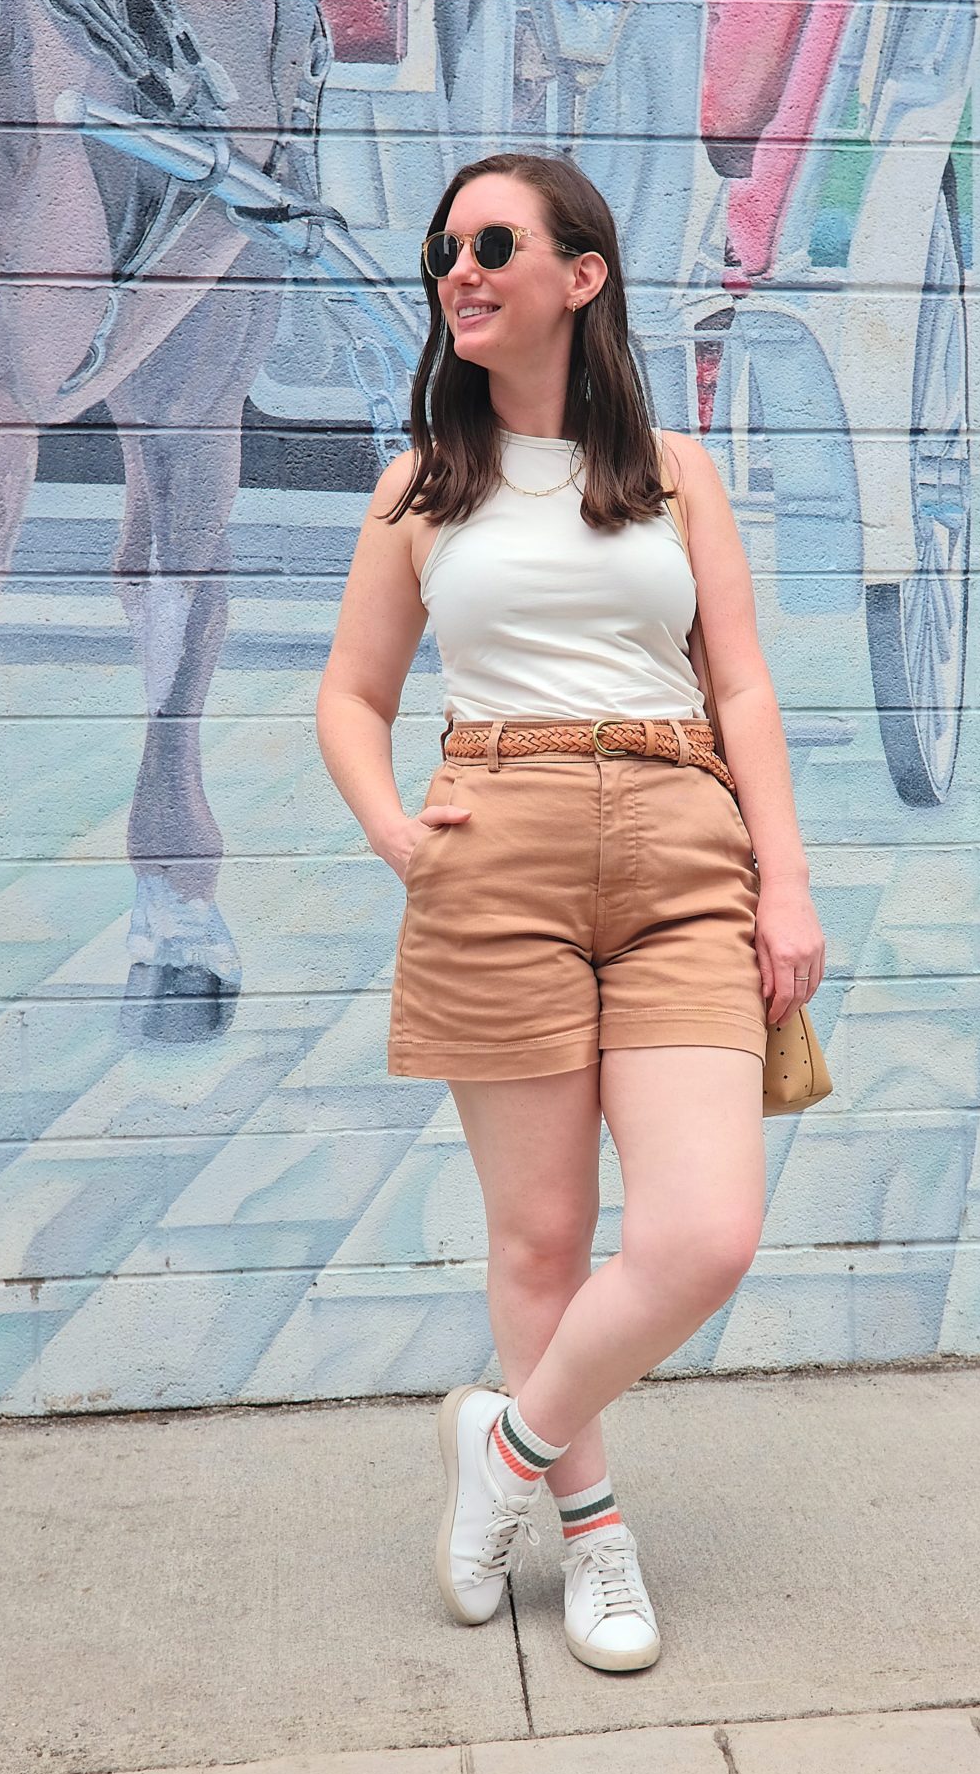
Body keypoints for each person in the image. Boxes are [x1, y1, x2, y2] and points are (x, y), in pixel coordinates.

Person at [315, 150, 825, 1673]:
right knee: (539, 1239)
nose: (459, 269)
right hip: (496, 844)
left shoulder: (675, 473)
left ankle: (505, 1450)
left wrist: (782, 879)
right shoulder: (421, 481)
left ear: (580, 276)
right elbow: (350, 694)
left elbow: (740, 683)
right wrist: (401, 834)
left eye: (492, 242)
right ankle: (592, 1536)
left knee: (705, 1233)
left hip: (680, 849)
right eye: (444, 250)